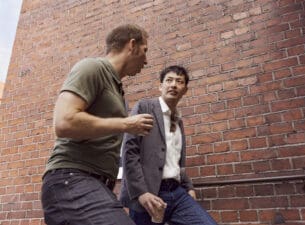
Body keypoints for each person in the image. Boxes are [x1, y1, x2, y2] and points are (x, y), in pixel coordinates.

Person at [41, 24, 154, 225]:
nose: (146, 61)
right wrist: (125, 124)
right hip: (71, 179)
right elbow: (64, 122)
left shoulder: (117, 90)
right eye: (145, 51)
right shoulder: (92, 67)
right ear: (132, 44)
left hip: (98, 185)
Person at [120, 65, 218, 225]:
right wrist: (141, 193)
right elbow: (130, 153)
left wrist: (189, 187)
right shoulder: (144, 107)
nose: (173, 85)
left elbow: (176, 161)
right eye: (169, 80)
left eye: (179, 81)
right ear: (160, 86)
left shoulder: (178, 121)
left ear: (185, 89)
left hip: (177, 192)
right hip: (149, 194)